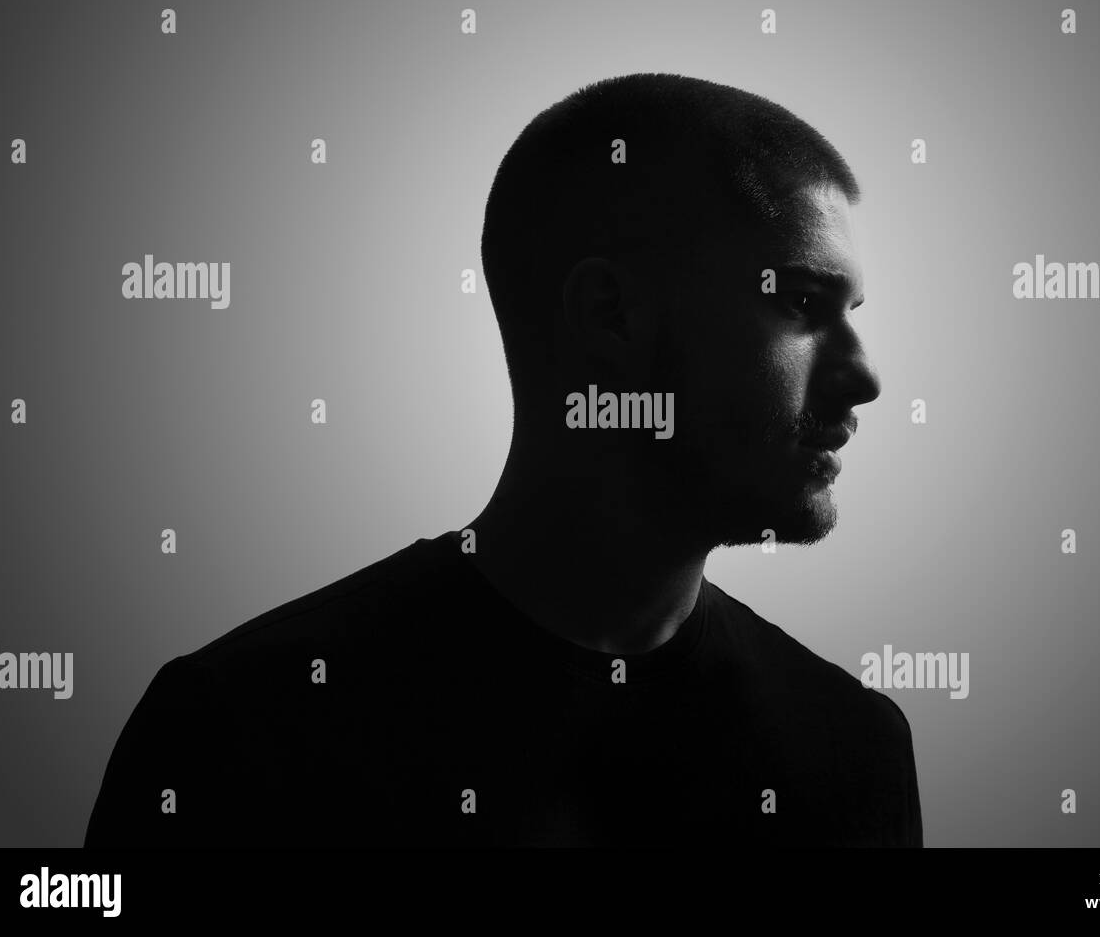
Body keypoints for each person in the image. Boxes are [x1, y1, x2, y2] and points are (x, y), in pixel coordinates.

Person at [85, 72, 922, 847]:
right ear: (609, 315)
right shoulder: (237, 732)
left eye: (853, 312)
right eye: (804, 304)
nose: (865, 378)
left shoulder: (849, 749)